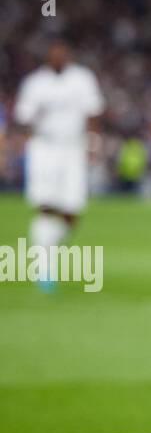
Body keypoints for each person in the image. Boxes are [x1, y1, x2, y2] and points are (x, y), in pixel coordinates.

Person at [12, 39, 105, 290]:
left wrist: (94, 143)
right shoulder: (35, 84)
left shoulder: (82, 79)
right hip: (45, 147)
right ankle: (44, 268)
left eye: (63, 53)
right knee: (45, 206)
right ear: (47, 57)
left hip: (73, 147)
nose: (59, 57)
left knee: (71, 211)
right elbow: (23, 117)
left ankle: (47, 249)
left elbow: (93, 112)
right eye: (54, 54)